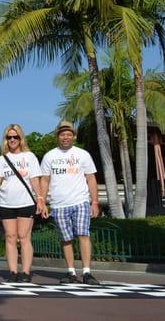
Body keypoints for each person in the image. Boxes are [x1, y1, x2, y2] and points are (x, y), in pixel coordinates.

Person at [40, 121, 100, 285]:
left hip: (80, 201)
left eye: (68, 134)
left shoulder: (82, 154)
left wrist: (94, 202)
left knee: (83, 234)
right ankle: (71, 272)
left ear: (73, 136)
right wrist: (42, 202)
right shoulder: (50, 156)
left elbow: (91, 178)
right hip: (59, 204)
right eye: (62, 134)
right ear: (57, 136)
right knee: (66, 238)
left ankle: (87, 272)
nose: (65, 137)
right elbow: (44, 180)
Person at [0, 124, 43, 282]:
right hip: (6, 203)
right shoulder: (1, 160)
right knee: (10, 237)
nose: (12, 140)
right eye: (9, 137)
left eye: (15, 137)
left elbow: (35, 179)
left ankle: (25, 272)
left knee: (24, 237)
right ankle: (12, 271)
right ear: (5, 139)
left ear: (20, 138)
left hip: (26, 202)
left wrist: (40, 198)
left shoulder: (29, 157)